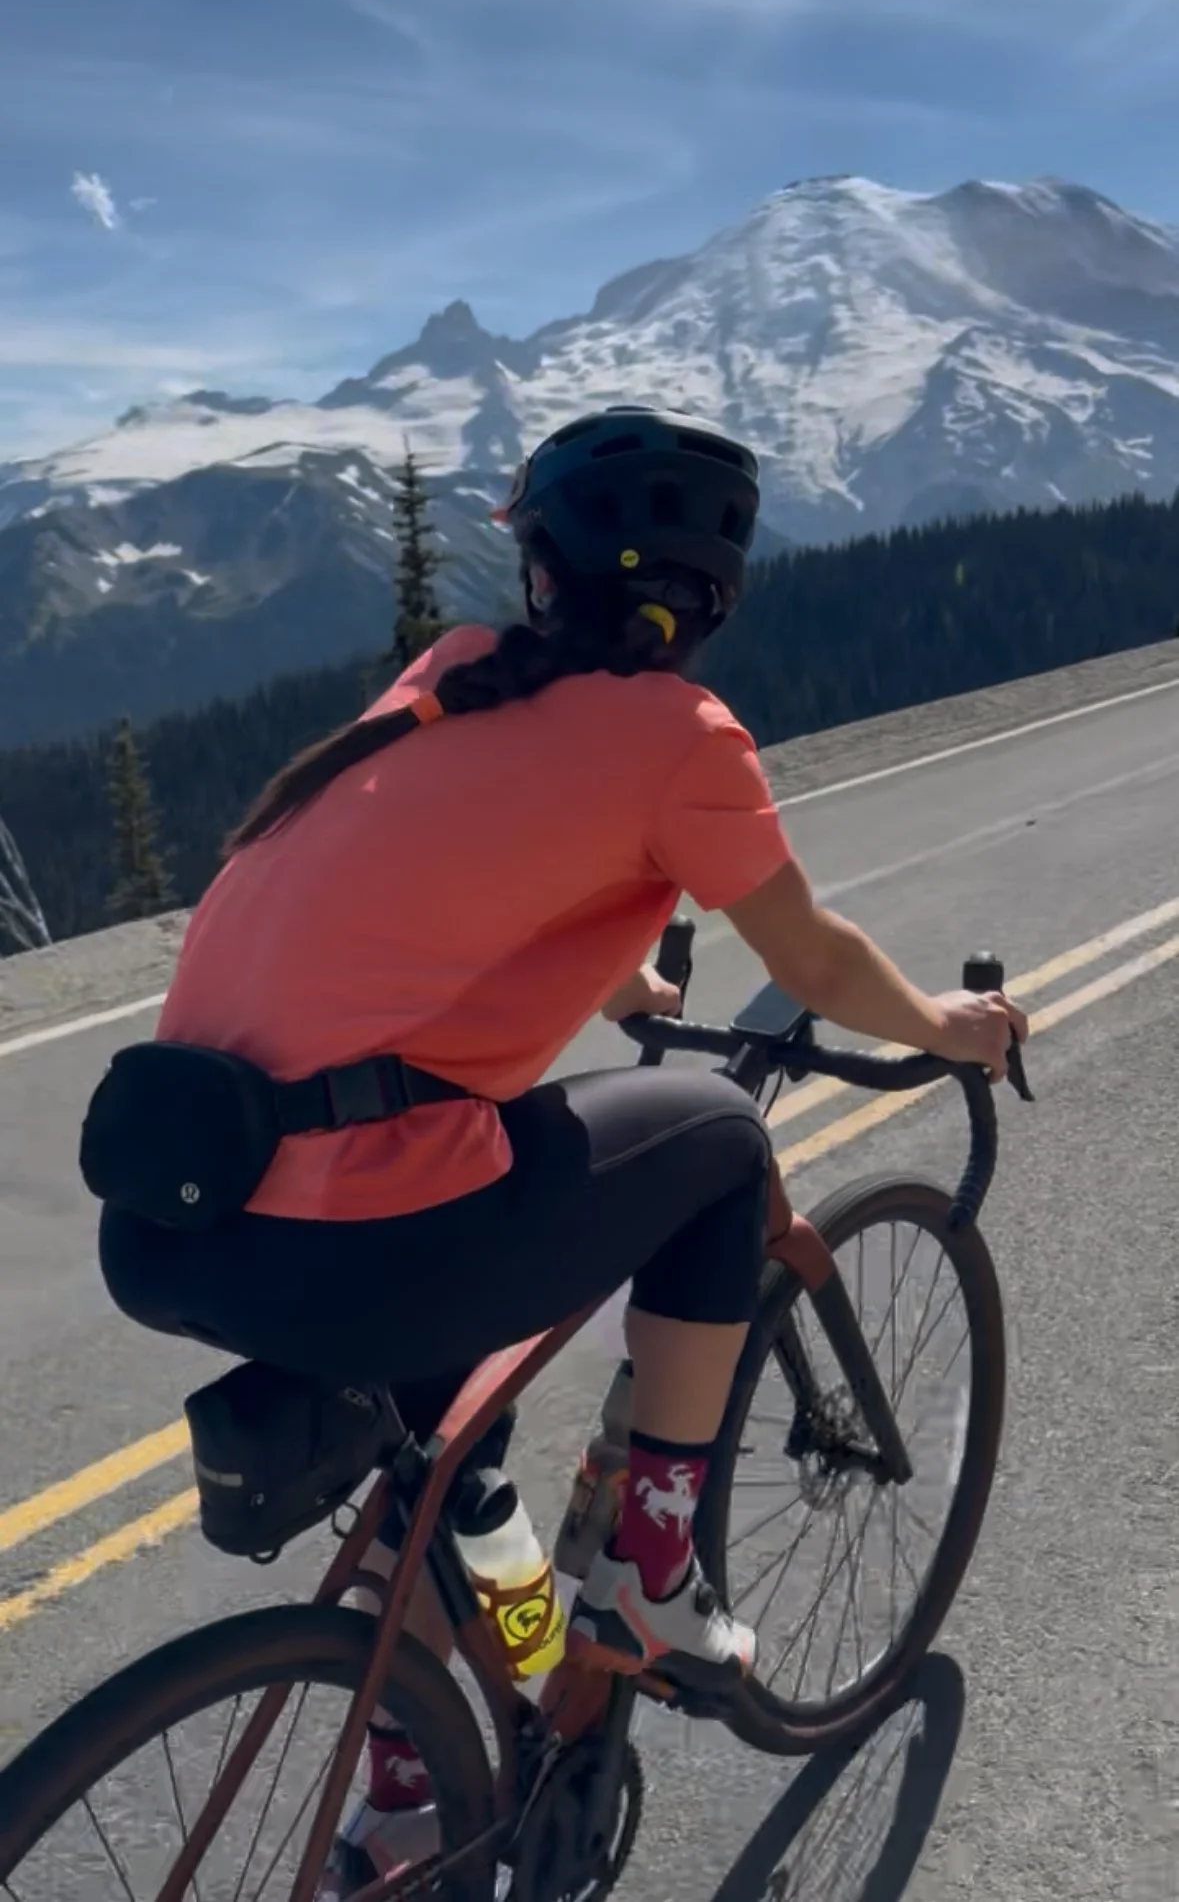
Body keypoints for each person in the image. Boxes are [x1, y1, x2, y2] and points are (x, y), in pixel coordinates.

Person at [97, 405, 1027, 1893]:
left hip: (173, 1213)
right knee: (720, 1137)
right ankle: (650, 1571)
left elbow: (425, 887)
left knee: (437, 1465)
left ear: (538, 576)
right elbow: (814, 951)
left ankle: (407, 1792)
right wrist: (947, 1025)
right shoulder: (682, 737)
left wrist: (614, 980)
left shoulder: (451, 676)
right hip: (354, 1232)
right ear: (709, 595)